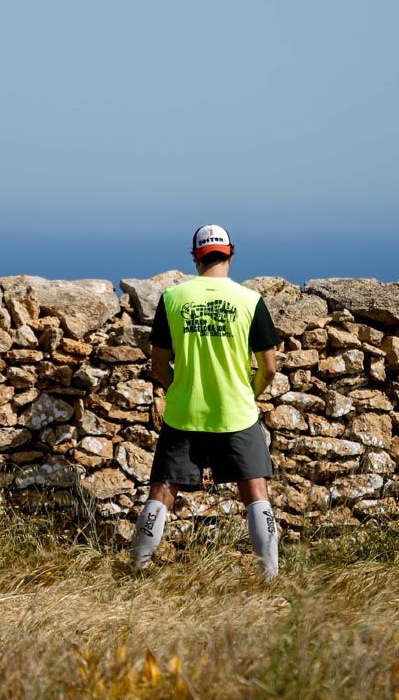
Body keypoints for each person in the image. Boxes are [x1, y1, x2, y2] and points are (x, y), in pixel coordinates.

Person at [130, 224, 283, 580]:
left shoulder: (173, 299)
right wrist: (250, 393)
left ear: (195, 257)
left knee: (162, 490)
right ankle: (270, 576)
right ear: (231, 253)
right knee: (256, 493)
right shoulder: (250, 301)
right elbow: (270, 367)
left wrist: (178, 388)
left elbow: (157, 364)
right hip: (237, 412)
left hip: (185, 411)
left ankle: (137, 570)